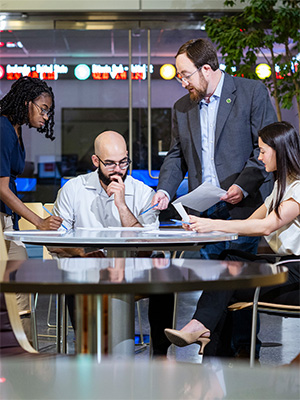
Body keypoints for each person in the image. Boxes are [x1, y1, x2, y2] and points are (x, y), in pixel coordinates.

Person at [164, 121, 300, 358]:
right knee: (227, 261)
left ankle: (204, 339)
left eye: (263, 151)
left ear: (279, 151)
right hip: (284, 268)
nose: (259, 157)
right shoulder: (281, 186)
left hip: (294, 274)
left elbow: (265, 226)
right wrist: (200, 227)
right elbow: (249, 222)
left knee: (224, 285)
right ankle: (204, 337)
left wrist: (212, 224)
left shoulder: (297, 189)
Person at [151, 38, 277, 259]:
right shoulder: (182, 107)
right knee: (211, 279)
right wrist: (164, 191)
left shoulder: (252, 93)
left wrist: (242, 186)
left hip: (244, 207)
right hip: (204, 210)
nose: (182, 83)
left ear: (206, 69)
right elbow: (177, 154)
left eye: (186, 75)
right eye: (179, 76)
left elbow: (267, 149)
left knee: (236, 277)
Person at [52, 130, 172, 355]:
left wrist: (122, 206)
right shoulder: (74, 189)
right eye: (110, 163)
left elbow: (150, 242)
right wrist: (81, 252)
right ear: (96, 161)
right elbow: (56, 239)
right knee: (73, 276)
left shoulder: (143, 192)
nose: (118, 169)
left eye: (123, 162)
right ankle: (86, 350)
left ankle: (161, 356)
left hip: (134, 270)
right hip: (89, 269)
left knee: (164, 276)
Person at [0, 76, 63, 339]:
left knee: (19, 291)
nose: (46, 116)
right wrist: (38, 222)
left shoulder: (14, 128)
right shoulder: (3, 128)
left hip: (7, 219)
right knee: (17, 291)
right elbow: (1, 188)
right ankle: (20, 356)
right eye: (44, 109)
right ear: (27, 102)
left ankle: (21, 355)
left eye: (49, 111)